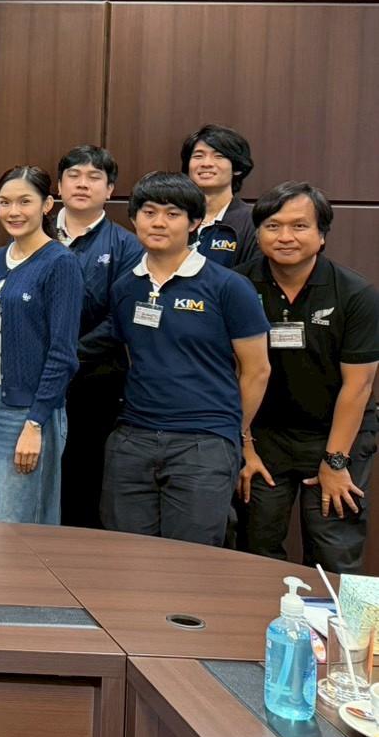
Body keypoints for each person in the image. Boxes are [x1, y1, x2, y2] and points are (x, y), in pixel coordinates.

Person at [101, 172, 270, 545]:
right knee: (123, 557)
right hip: (133, 439)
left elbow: (257, 370)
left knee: (191, 562)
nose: (158, 222)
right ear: (134, 219)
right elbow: (132, 355)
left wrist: (233, 432)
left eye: (172, 214)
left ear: (194, 222)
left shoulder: (228, 286)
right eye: (148, 212)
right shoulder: (125, 287)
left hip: (204, 444)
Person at [238, 182, 379, 572]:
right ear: (259, 233)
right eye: (272, 226)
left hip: (337, 433)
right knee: (256, 546)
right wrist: (244, 446)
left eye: (299, 226)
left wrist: (335, 461)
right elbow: (231, 372)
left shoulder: (355, 294)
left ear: (321, 235)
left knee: (335, 550)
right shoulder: (237, 286)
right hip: (263, 436)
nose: (285, 237)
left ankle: (336, 617)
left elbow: (359, 386)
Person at [0, 167, 83, 525]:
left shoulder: (61, 263)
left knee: (14, 524)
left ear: (47, 205)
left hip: (26, 410)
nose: (13, 211)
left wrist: (35, 423)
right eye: (4, 202)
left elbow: (63, 354)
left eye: (24, 201)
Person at [53, 145, 142, 528]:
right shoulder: (34, 234)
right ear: (59, 186)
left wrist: (66, 356)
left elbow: (120, 318)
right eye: (74, 176)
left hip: (95, 382)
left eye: (94, 177)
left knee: (84, 480)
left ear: (109, 190)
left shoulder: (126, 245)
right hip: (33, 379)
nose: (82, 184)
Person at [181, 123, 258, 268]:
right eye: (198, 156)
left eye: (219, 156)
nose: (206, 163)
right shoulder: (173, 216)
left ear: (237, 168)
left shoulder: (253, 221)